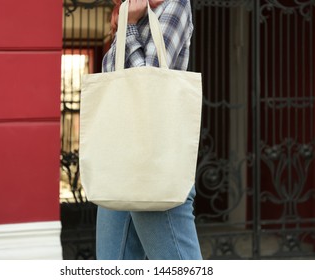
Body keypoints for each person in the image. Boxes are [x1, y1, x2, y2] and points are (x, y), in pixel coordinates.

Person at [96, 0, 202, 260]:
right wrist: (125, 21)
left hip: (154, 163)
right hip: (117, 163)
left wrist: (130, 26)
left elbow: (149, 82)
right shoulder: (127, 10)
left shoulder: (173, 5)